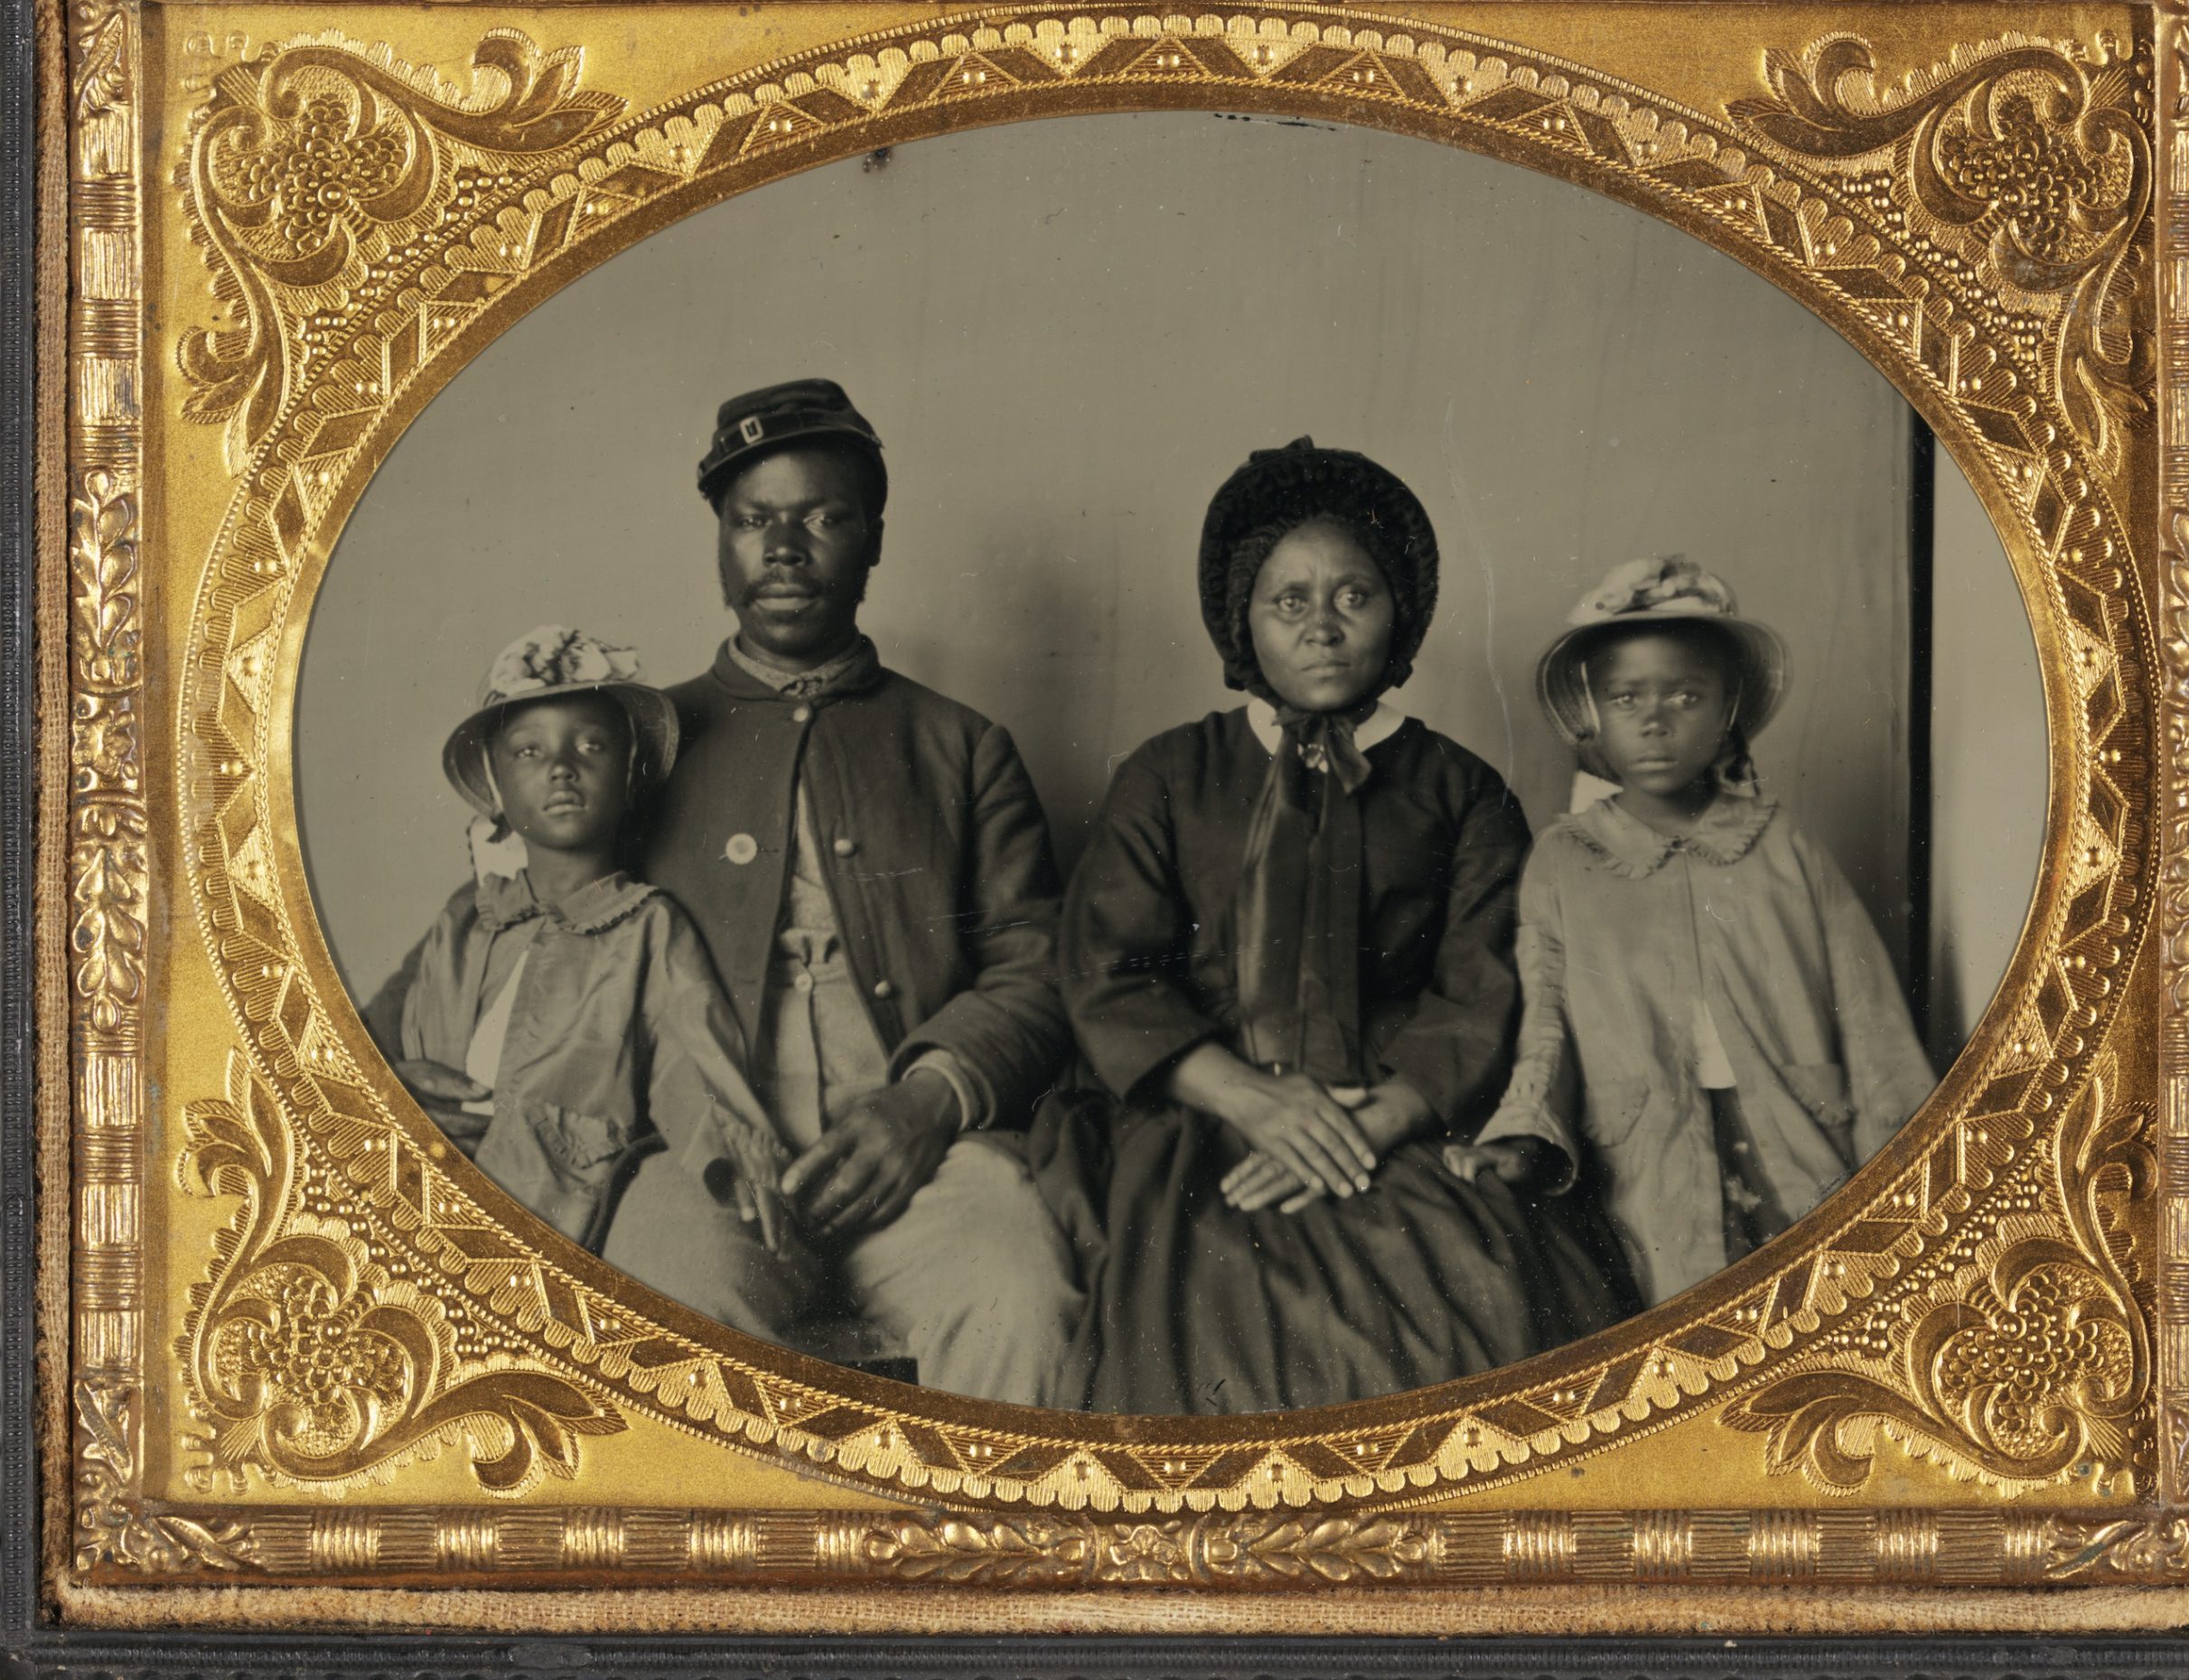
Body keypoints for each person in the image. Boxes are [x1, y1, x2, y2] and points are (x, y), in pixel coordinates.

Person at [1034, 438, 1630, 1415]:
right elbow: (1108, 970)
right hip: (1205, 1115)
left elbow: (1490, 981)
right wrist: (1252, 1099)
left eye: (1354, 596)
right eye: (1288, 601)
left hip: (1398, 1117)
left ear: (1399, 614)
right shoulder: (1167, 775)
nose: (1322, 627)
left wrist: (1379, 1118)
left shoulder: (1459, 790)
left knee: (1479, 1308)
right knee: (1199, 1329)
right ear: (1243, 618)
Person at [622, 378, 1080, 1405]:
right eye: (754, 520)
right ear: (721, 541)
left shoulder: (960, 746)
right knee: (666, 1313)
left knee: (1021, 1294)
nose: (785, 547)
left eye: (825, 517)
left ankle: (1001, 1566)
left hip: (926, 1158)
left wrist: (925, 1103)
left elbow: (1037, 963)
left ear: (873, 538)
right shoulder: (640, 743)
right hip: (703, 1161)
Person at [1445, 556, 1940, 1308]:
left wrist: (1905, 1174)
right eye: (1626, 697)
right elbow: (1545, 1020)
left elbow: (1871, 1020)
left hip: (1799, 1140)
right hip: (1645, 1156)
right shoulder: (1564, 859)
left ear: (1727, 713)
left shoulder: (1782, 847)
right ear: (1594, 715)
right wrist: (1521, 1132)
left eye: (1686, 695)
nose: (1655, 720)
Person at [363, 627, 818, 1338]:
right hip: (425, 1198)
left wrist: (733, 1159)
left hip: (559, 1211)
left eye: (592, 747)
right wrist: (396, 1083)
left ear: (631, 776)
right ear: (496, 788)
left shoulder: (644, 926)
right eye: (530, 752)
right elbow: (365, 1046)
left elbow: (691, 1064)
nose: (563, 768)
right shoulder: (468, 917)